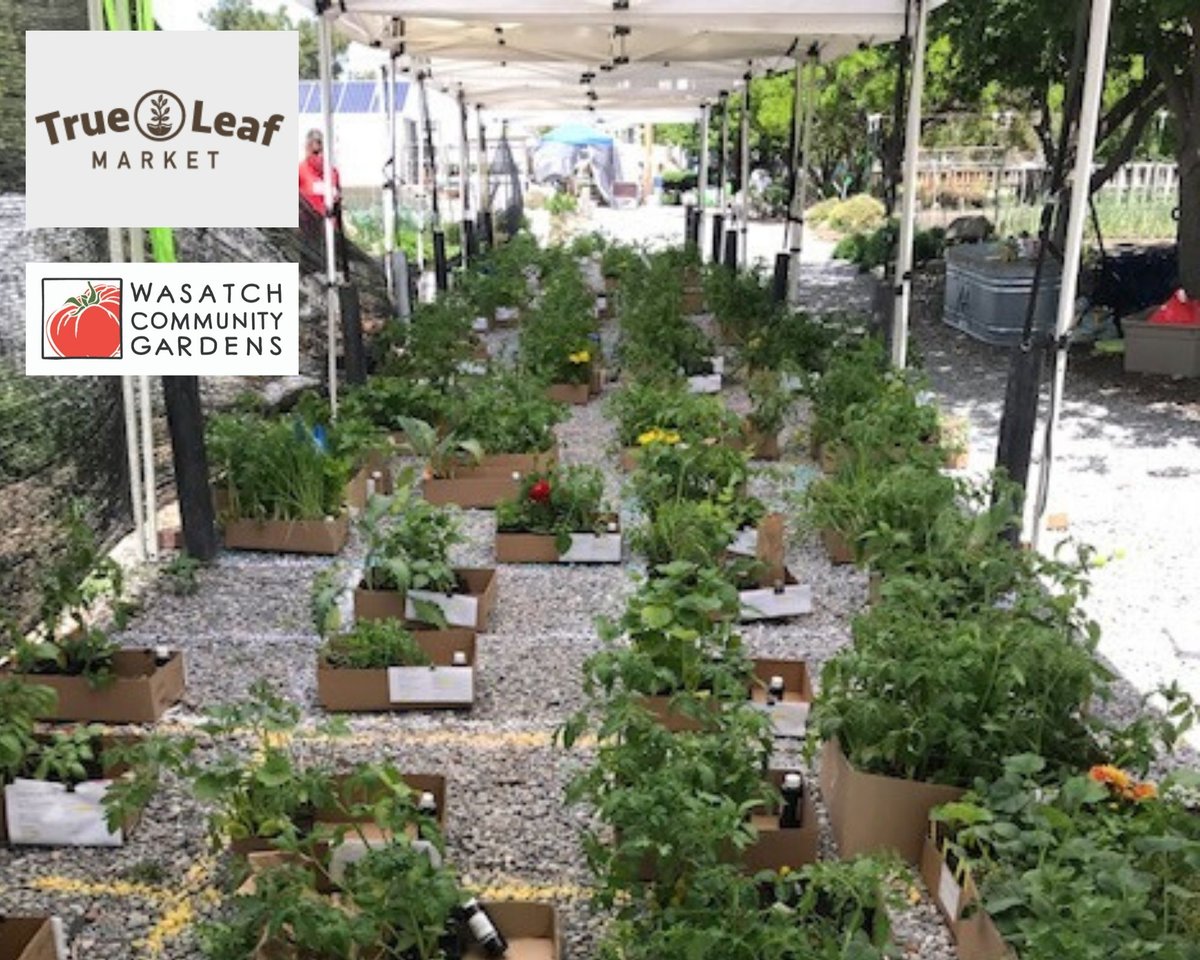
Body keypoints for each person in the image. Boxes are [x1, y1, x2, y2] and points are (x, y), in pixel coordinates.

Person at [298, 128, 348, 275]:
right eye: (315, 153)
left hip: (331, 231)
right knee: (311, 270)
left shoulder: (333, 173)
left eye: (322, 152)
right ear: (307, 149)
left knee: (333, 268)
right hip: (309, 231)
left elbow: (338, 197)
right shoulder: (300, 171)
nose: (319, 157)